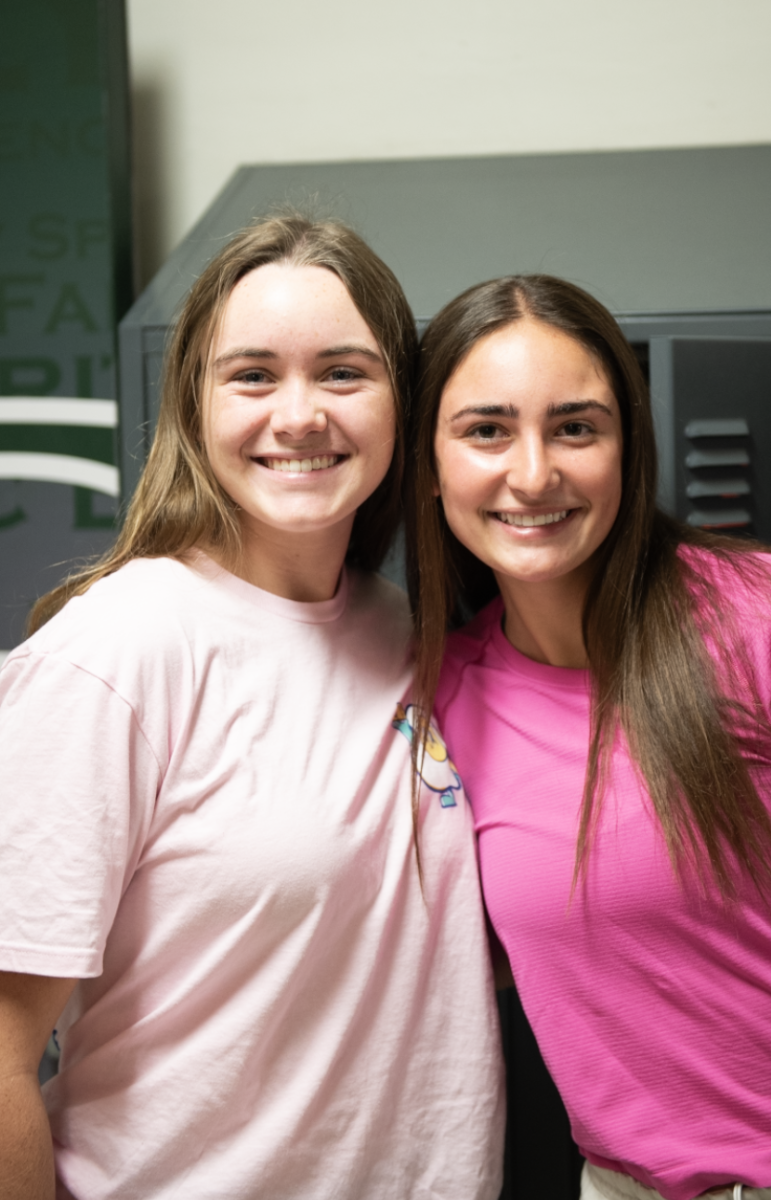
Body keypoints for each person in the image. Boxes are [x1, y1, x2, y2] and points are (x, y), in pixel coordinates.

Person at [0, 213, 504, 1200]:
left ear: (403, 406)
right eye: (254, 375)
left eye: (344, 373)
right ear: (193, 404)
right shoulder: (114, 654)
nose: (300, 414)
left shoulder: (414, 638)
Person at [405, 273, 771, 1200]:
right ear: (428, 463)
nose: (533, 473)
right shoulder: (441, 699)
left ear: (628, 447)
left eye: (576, 427)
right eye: (486, 429)